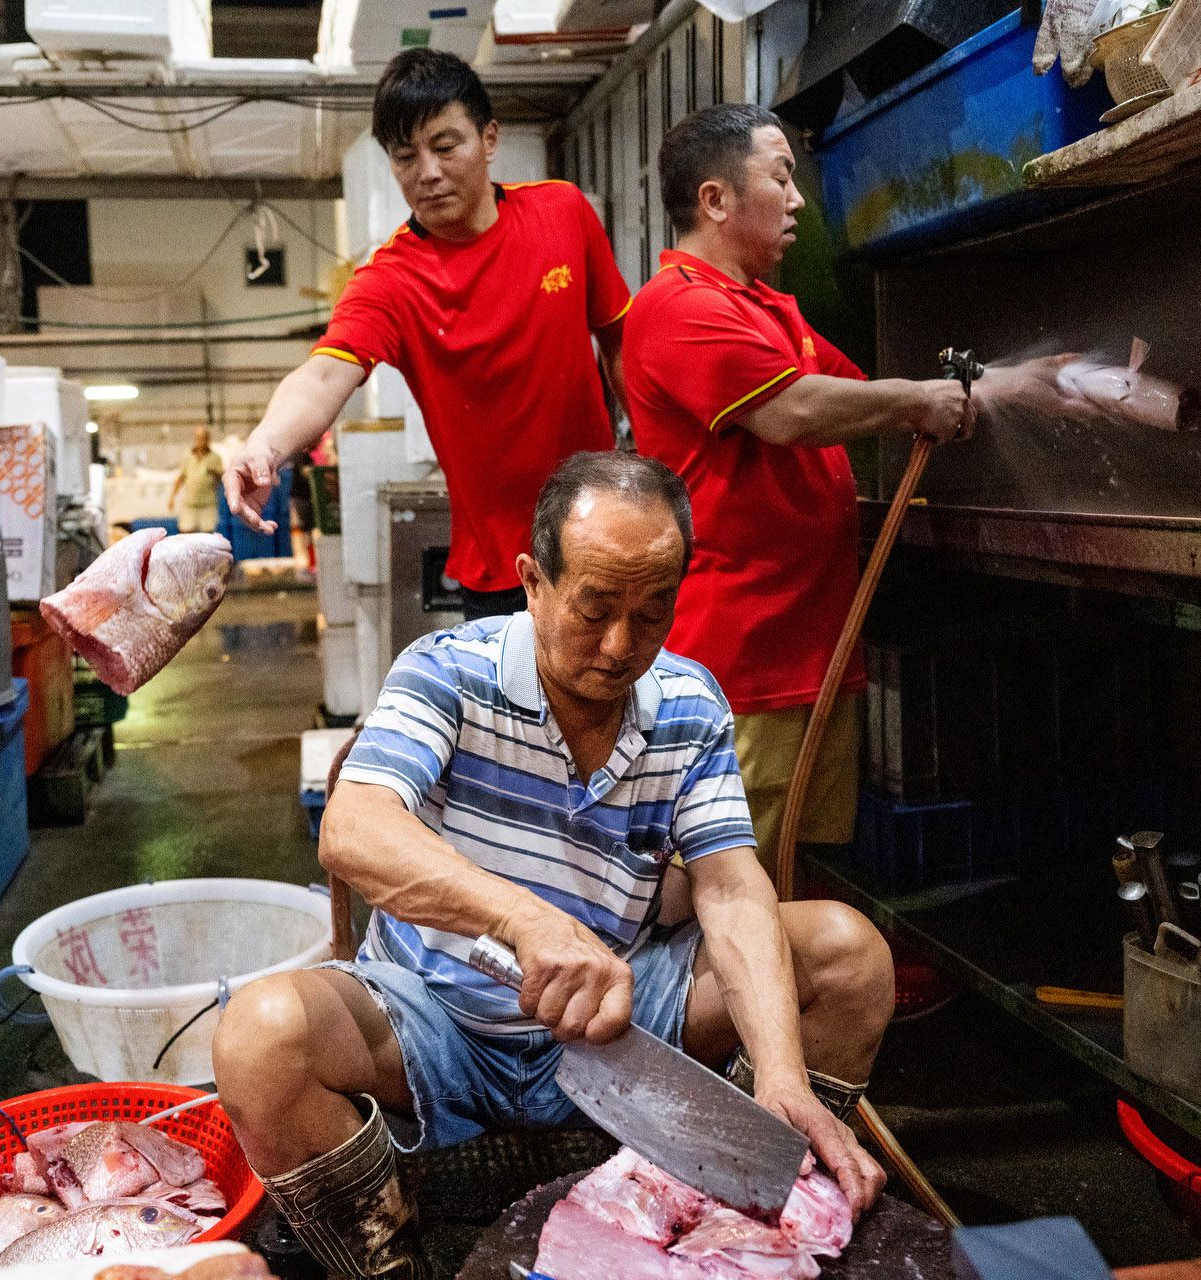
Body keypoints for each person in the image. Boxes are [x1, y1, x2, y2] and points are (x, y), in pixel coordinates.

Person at [213, 452, 896, 1280]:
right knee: (259, 1038)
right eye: (595, 609)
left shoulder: (688, 701)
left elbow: (726, 878)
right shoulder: (445, 673)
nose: (620, 647)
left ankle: (732, 1232)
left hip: (618, 1017)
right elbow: (354, 829)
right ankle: (389, 1267)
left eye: (652, 614)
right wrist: (523, 919)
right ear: (533, 581)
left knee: (845, 954)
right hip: (435, 1021)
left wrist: (780, 1064)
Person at [620, 102, 975, 860]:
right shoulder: (675, 308)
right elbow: (792, 411)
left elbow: (857, 395)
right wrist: (920, 399)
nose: (799, 199)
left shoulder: (771, 313)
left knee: (797, 887)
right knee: (725, 894)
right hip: (741, 670)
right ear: (715, 200)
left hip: (813, 655)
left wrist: (996, 389)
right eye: (781, 178)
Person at [222, 48, 632, 622]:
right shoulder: (392, 280)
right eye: (405, 156)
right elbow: (321, 377)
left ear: (489, 139)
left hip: (605, 540)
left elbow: (622, 340)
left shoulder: (562, 213)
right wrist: (262, 446)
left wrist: (654, 462)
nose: (428, 173)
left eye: (445, 146)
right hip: (502, 573)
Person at [168, 426, 224, 533]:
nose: (200, 441)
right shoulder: (187, 457)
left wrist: (215, 472)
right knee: (185, 533)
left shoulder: (215, 458)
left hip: (208, 505)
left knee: (208, 536)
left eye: (203, 438)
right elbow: (181, 478)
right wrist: (172, 497)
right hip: (190, 504)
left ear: (208, 439)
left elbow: (222, 479)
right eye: (198, 438)